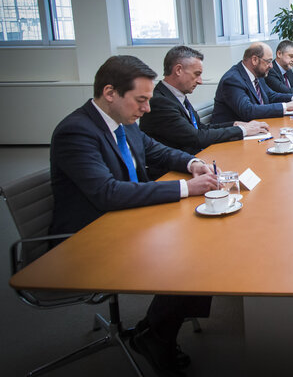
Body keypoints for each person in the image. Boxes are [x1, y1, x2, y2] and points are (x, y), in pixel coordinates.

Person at [49, 55, 219, 377]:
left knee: (207, 239)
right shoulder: (77, 132)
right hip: (85, 239)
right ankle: (156, 335)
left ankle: (156, 332)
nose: (147, 109)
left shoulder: (123, 123)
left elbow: (159, 151)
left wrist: (191, 164)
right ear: (110, 92)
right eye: (141, 100)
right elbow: (107, 192)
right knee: (191, 253)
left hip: (125, 220)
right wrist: (187, 188)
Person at [140, 46, 269, 168]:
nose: (200, 81)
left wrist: (236, 124)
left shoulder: (176, 95)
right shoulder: (160, 102)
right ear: (178, 70)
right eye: (196, 74)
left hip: (196, 160)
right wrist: (243, 130)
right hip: (173, 171)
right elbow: (197, 137)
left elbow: (201, 128)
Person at [211, 42, 293, 123]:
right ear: (254, 60)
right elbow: (248, 110)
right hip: (231, 139)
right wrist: (286, 106)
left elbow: (271, 96)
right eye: (268, 61)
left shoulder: (258, 75)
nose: (271, 66)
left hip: (257, 128)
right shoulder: (232, 80)